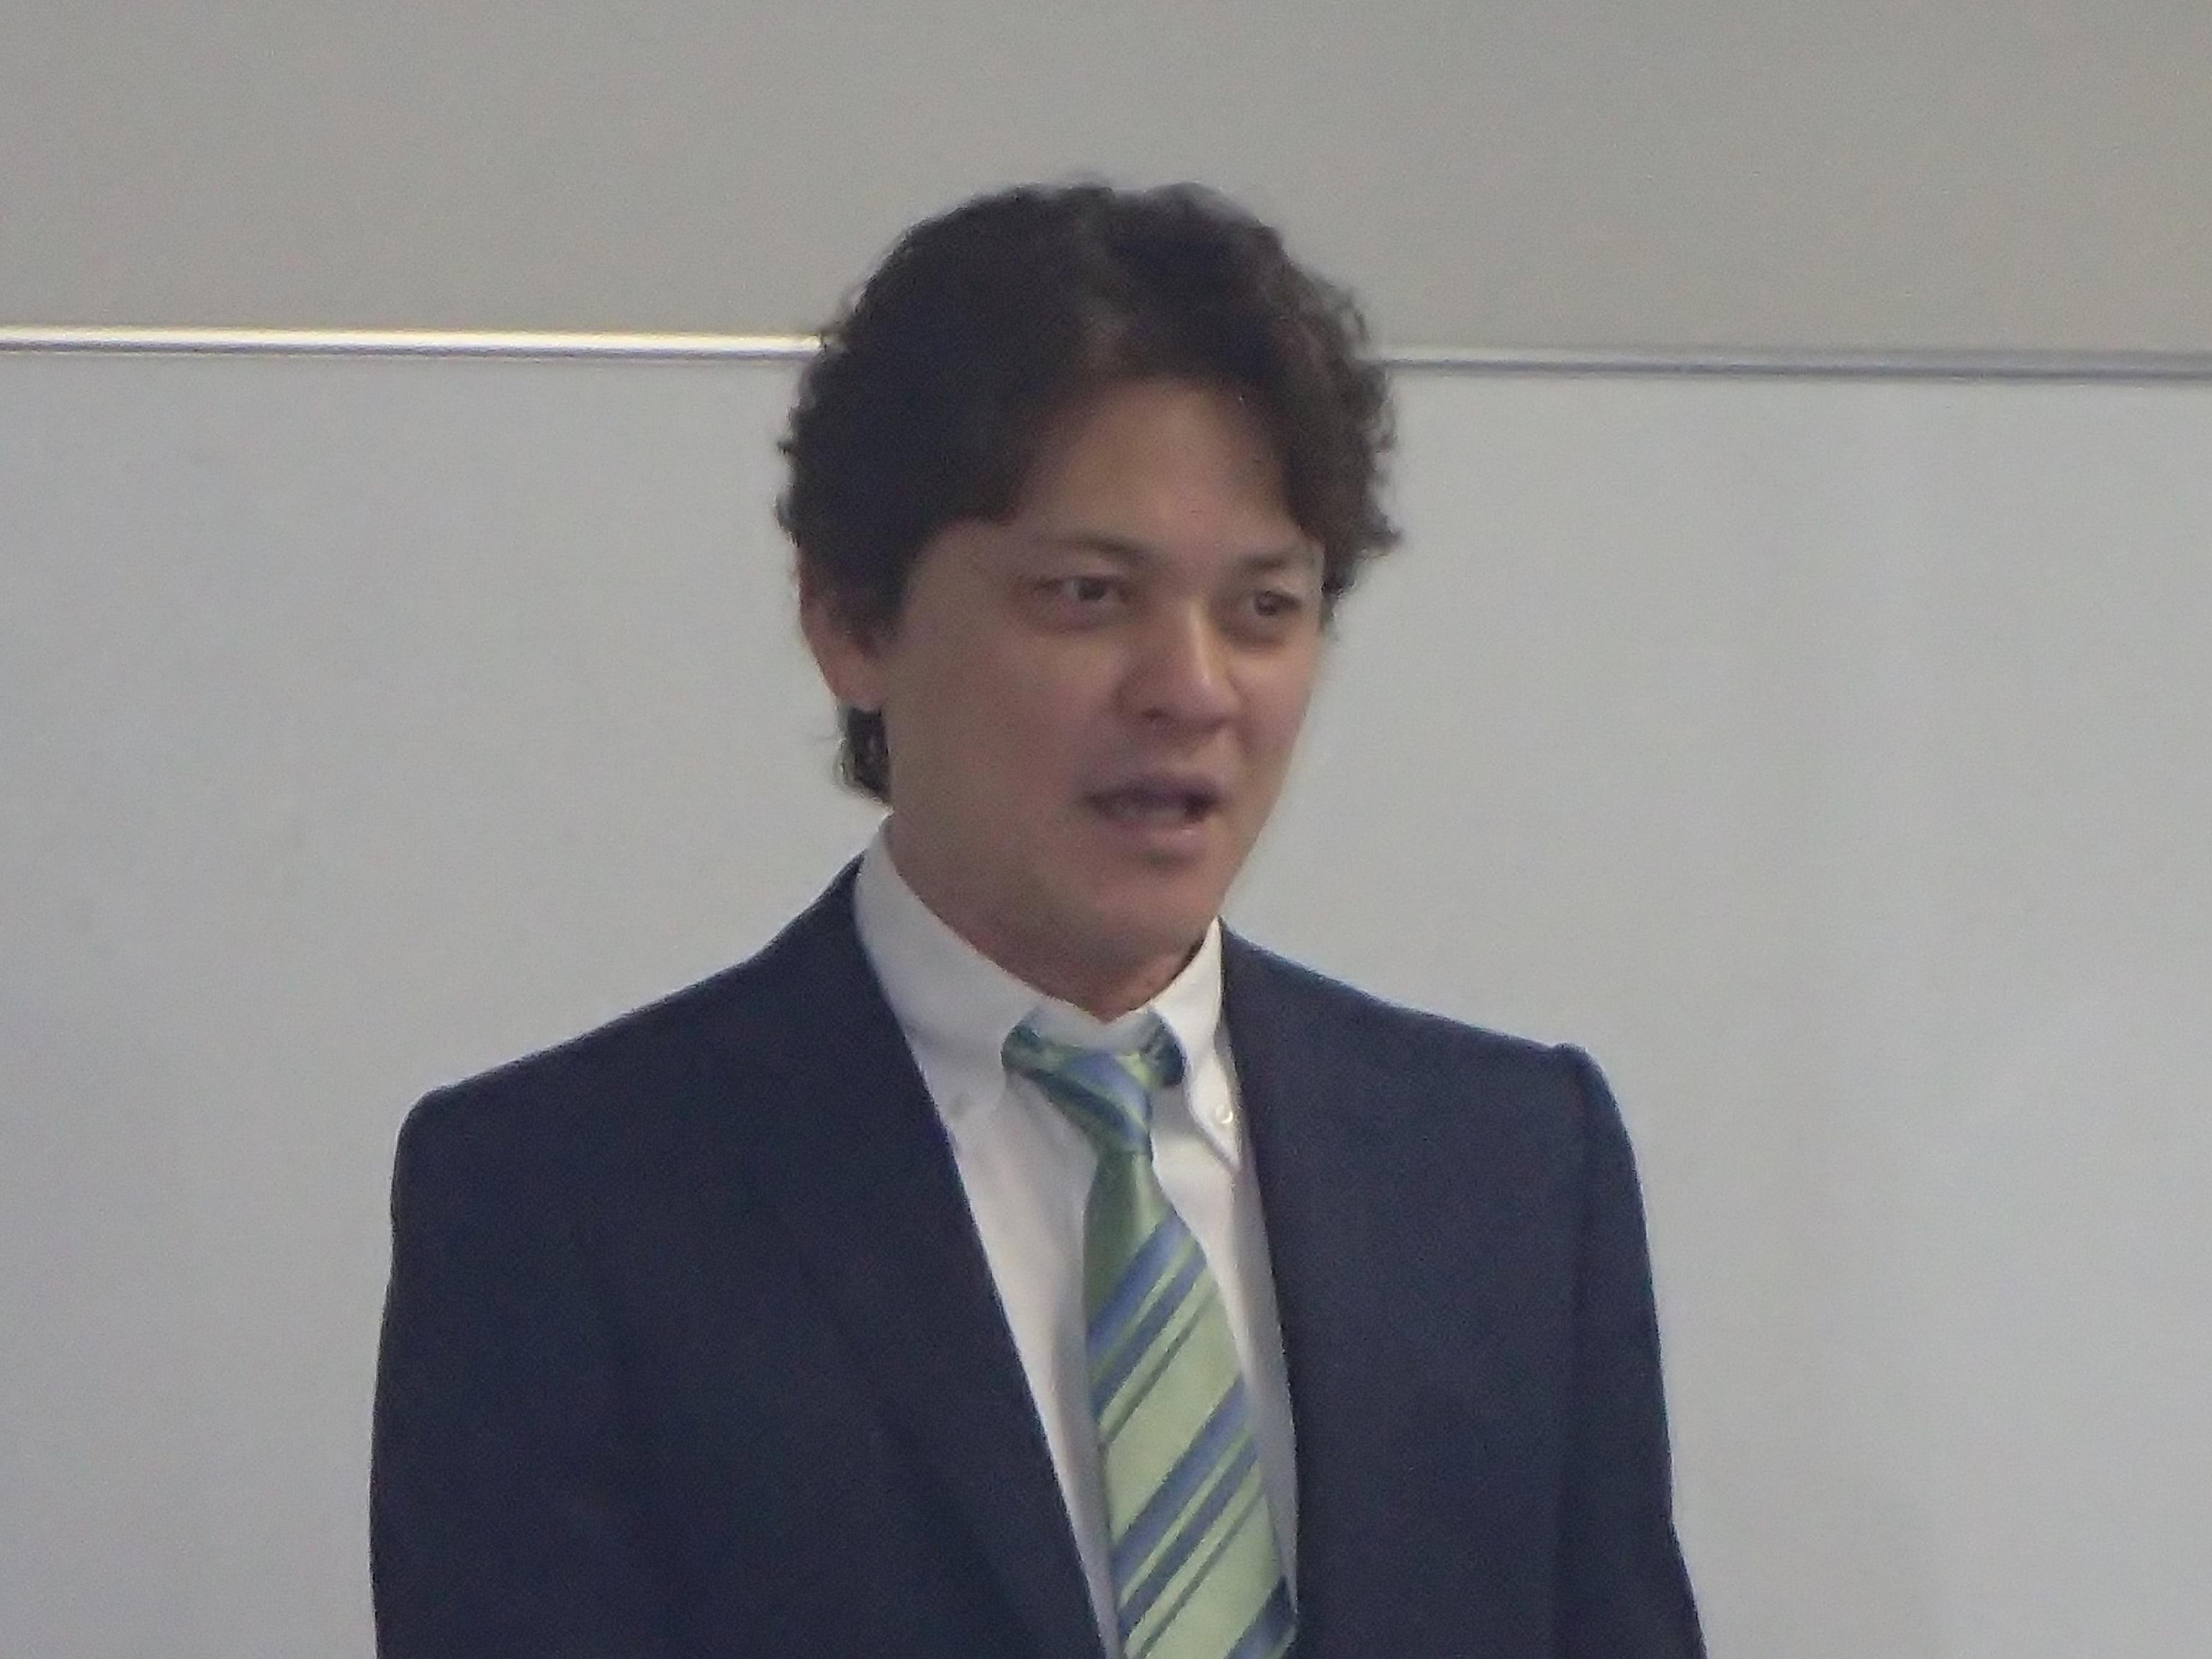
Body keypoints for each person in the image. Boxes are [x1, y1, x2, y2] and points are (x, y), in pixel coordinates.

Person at [370, 180, 1704, 1659]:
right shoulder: (565, 1203)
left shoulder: (1511, 1175)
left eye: (1264, 609)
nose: (1190, 689)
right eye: (1088, 595)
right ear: (851, 620)